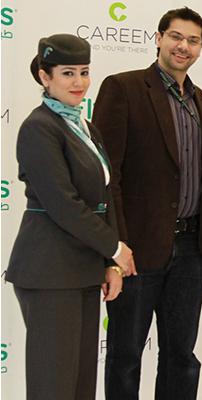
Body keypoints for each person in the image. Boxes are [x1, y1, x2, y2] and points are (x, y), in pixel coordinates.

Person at [91, 7, 202, 400]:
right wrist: (116, 247)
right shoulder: (124, 88)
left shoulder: (201, 101)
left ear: (200, 48)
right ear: (159, 38)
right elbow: (106, 176)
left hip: (192, 250)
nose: (184, 46)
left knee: (182, 357)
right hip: (137, 250)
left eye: (193, 40)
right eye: (176, 36)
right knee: (125, 357)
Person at [6, 33, 135, 400]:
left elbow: (105, 196)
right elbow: (63, 204)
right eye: (67, 73)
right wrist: (115, 248)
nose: (79, 82)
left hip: (83, 268)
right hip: (49, 270)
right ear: (44, 77)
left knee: (80, 386)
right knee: (54, 386)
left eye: (84, 72)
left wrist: (109, 264)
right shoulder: (39, 127)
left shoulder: (85, 127)